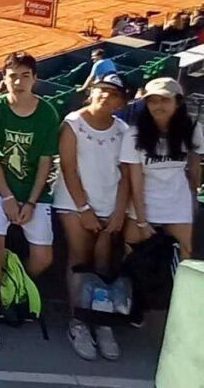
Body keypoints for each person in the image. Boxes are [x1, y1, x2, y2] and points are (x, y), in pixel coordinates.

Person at [0, 52, 60, 350]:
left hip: (35, 195)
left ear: (35, 79)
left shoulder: (48, 113)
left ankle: (12, 287)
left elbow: (44, 162)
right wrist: (9, 197)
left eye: (25, 75)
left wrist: (30, 202)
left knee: (44, 257)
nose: (19, 81)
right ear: (5, 79)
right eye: (13, 76)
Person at [52, 73, 129, 361]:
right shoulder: (73, 124)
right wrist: (84, 209)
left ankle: (102, 321)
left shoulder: (123, 130)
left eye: (113, 93)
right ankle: (79, 321)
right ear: (92, 93)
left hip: (110, 206)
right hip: (74, 203)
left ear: (122, 102)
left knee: (104, 261)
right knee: (80, 258)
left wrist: (120, 211)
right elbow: (69, 169)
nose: (106, 96)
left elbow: (125, 176)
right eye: (101, 90)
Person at [121, 78, 202, 262]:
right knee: (131, 254)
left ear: (178, 101)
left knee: (186, 254)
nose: (158, 106)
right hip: (143, 204)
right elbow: (136, 179)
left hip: (177, 203)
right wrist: (142, 221)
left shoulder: (193, 129)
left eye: (165, 100)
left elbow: (195, 167)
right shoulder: (133, 134)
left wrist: (193, 197)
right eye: (153, 101)